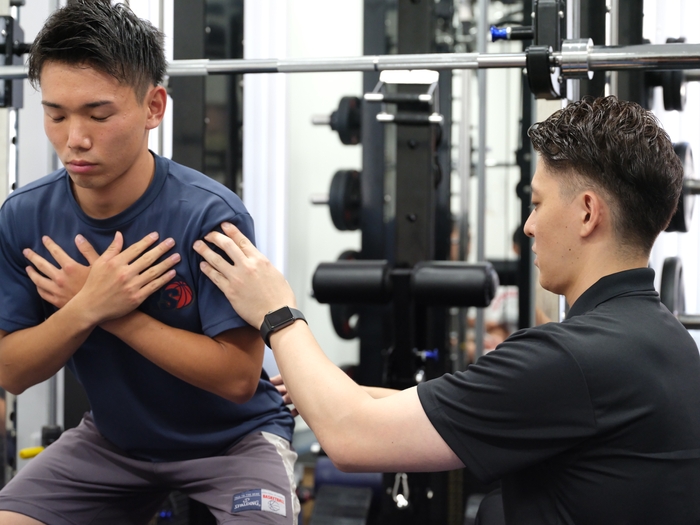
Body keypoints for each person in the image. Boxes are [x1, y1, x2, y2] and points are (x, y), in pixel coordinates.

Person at [193, 96, 700, 524]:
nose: (528, 226)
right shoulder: (667, 342)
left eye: (538, 203)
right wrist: (335, 393)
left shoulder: (574, 359)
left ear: (587, 213)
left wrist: (277, 312)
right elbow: (453, 410)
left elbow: (350, 439)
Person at [0, 2, 296, 524]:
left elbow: (237, 378)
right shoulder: (25, 217)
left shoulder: (209, 216)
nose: (75, 139)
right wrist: (85, 307)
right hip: (113, 444)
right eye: (56, 115)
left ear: (154, 107)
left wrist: (115, 313)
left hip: (234, 442)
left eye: (99, 115)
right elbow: (12, 371)